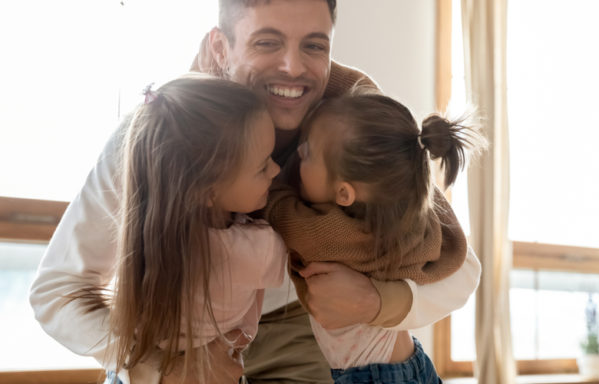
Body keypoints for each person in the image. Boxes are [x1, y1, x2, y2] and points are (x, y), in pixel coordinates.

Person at [29, 0, 481, 382]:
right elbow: (57, 290)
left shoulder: (353, 129)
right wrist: (156, 362)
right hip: (171, 333)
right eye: (267, 42)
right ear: (220, 48)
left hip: (301, 329)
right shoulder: (162, 135)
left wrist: (375, 301)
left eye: (314, 46)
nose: (293, 67)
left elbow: (458, 270)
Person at [264, 90, 484, 384]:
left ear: (344, 193)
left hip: (373, 377)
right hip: (411, 363)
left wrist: (268, 174)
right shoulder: (400, 228)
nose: (299, 152)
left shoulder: (326, 237)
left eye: (309, 152)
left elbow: (278, 210)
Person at [84, 75, 283, 383]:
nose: (277, 169)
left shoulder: (149, 236)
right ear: (207, 191)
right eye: (263, 166)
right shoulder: (256, 250)